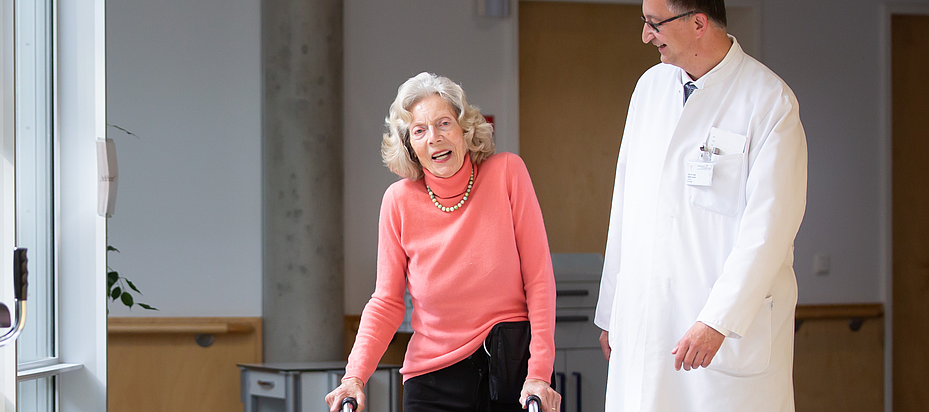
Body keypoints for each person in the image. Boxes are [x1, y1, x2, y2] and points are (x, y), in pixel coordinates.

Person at [594, 0, 808, 411]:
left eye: (654, 24)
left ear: (697, 23)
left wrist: (718, 319)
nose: (645, 35)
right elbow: (625, 205)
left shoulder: (769, 103)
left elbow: (768, 233)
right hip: (645, 321)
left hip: (721, 340)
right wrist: (611, 309)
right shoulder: (649, 89)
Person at [325, 72, 560, 412]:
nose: (434, 138)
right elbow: (387, 301)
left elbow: (539, 280)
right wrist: (354, 377)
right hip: (432, 378)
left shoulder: (507, 173)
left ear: (464, 129)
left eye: (444, 123)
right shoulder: (399, 201)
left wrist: (539, 373)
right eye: (419, 131)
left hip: (509, 371)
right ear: (410, 146)